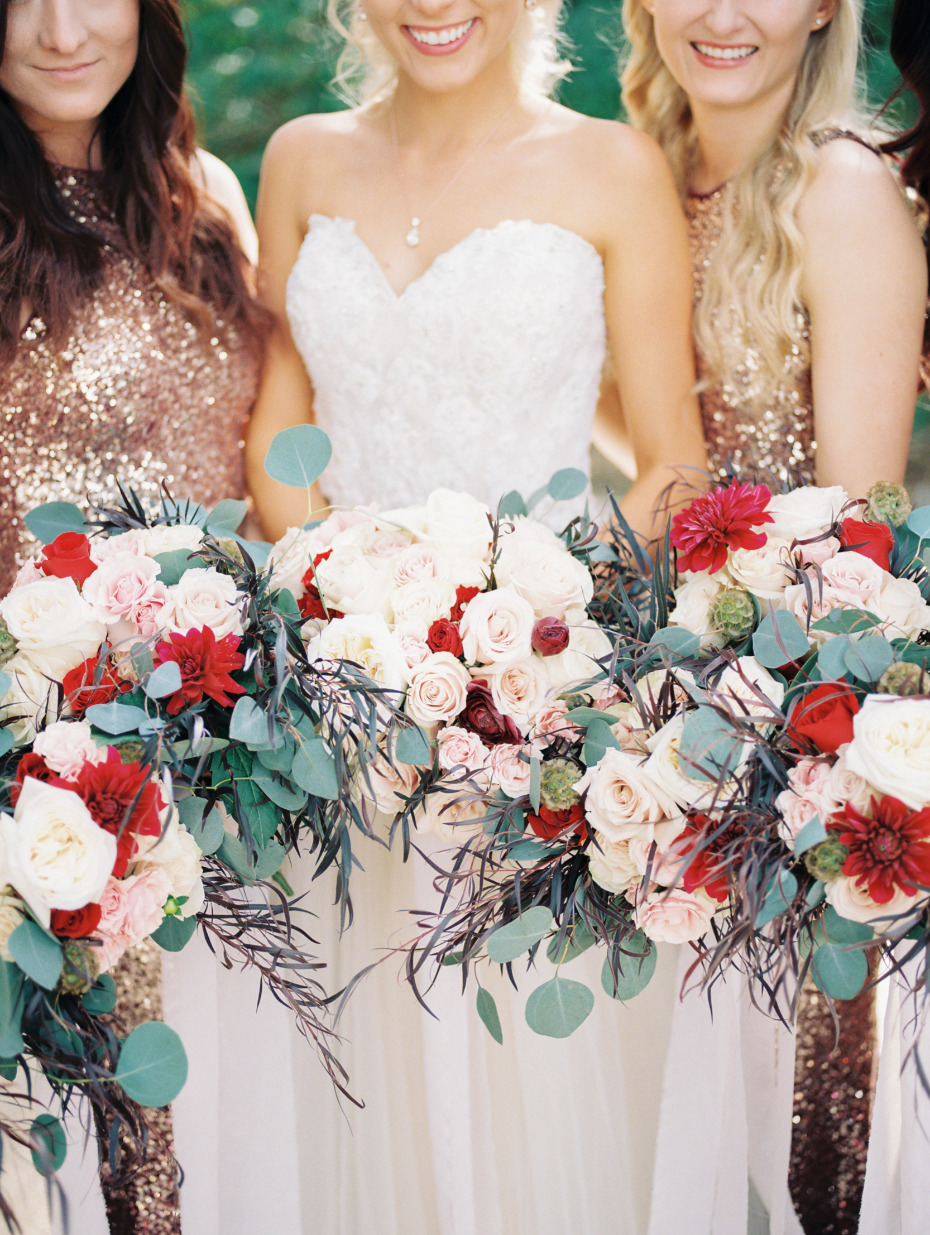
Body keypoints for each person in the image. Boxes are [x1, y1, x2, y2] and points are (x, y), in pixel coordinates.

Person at [246, 0, 707, 1231]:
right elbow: (284, 420)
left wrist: (558, 642)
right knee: (355, 1059)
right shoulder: (298, 155)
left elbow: (669, 461)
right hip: (339, 701)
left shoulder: (611, 166)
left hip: (531, 715)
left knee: (524, 1076)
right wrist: (331, 604)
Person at [620, 2, 928, 1233]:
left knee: (796, 1118)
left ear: (823, 9)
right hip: (655, 700)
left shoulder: (844, 194)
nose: (723, 15)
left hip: (803, 716)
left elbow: (861, 525)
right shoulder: (630, 165)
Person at [0, 2, 301, 1231]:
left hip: (227, 777)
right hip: (47, 787)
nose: (64, 29)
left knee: (232, 1146)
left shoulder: (207, 194)